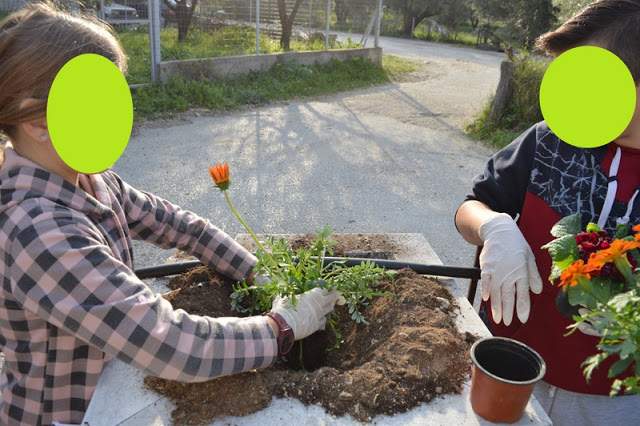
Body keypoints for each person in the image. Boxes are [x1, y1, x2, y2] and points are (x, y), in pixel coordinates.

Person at [0, 3, 339, 425]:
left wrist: (256, 272)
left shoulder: (92, 182)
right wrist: (282, 327)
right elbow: (174, 345)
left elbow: (184, 228)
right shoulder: (37, 230)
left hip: (109, 385)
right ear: (36, 120)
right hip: (64, 413)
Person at [455, 1, 640, 424]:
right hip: (503, 366)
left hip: (614, 400)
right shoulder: (548, 142)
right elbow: (470, 207)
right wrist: (493, 226)